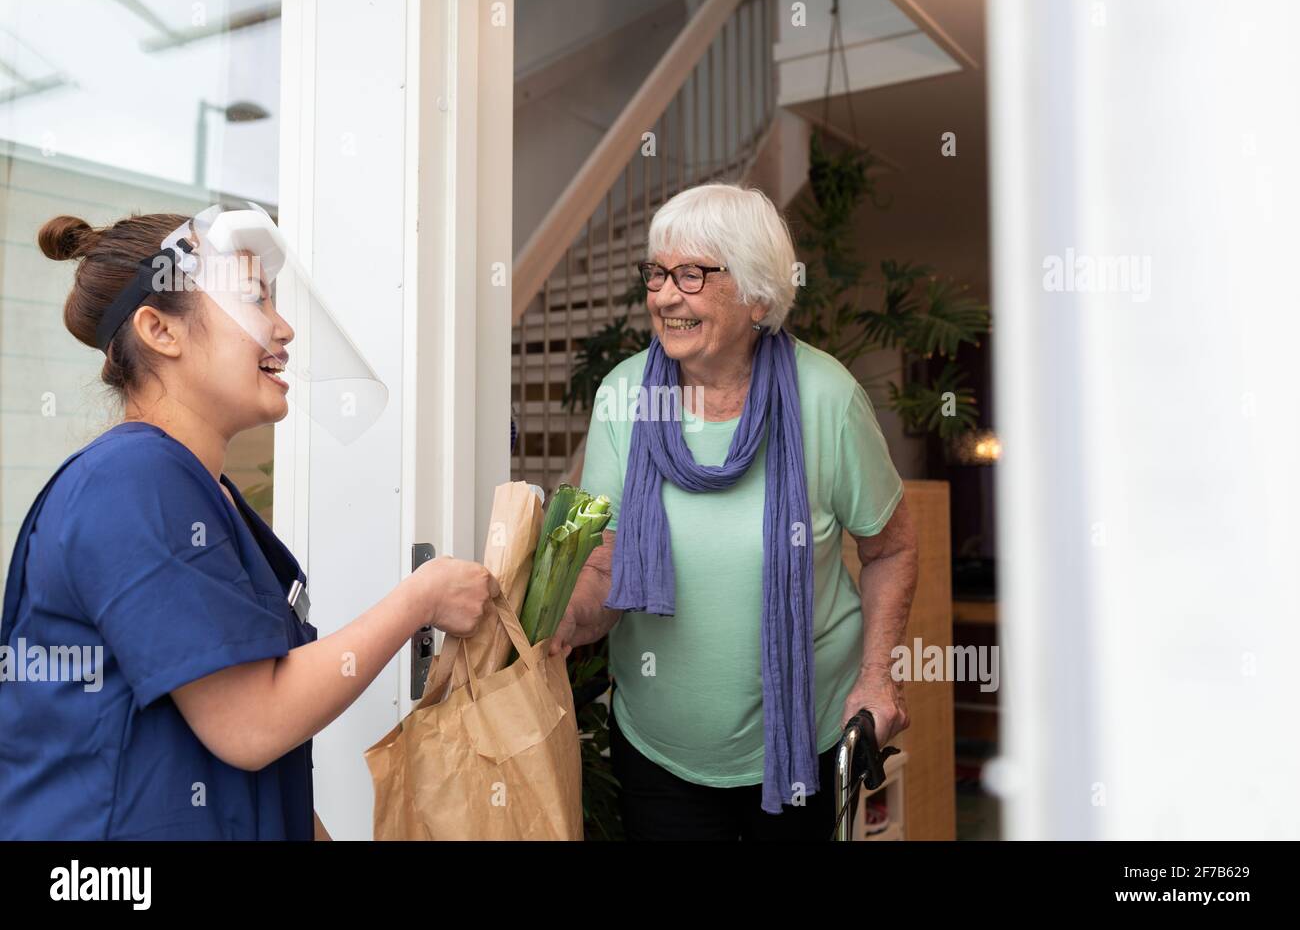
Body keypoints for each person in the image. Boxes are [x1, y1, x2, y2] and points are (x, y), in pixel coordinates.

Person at [0, 208, 498, 839]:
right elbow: (250, 724)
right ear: (160, 330)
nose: (283, 327)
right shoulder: (132, 483)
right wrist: (419, 599)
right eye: (254, 299)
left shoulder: (201, 493)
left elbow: (261, 746)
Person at [552, 183, 919, 840]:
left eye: (690, 275)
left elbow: (890, 546)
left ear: (756, 293)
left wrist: (877, 679)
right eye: (657, 273)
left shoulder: (826, 398)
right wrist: (558, 619)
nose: (664, 296)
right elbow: (608, 562)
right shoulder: (625, 397)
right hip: (657, 751)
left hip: (804, 744)